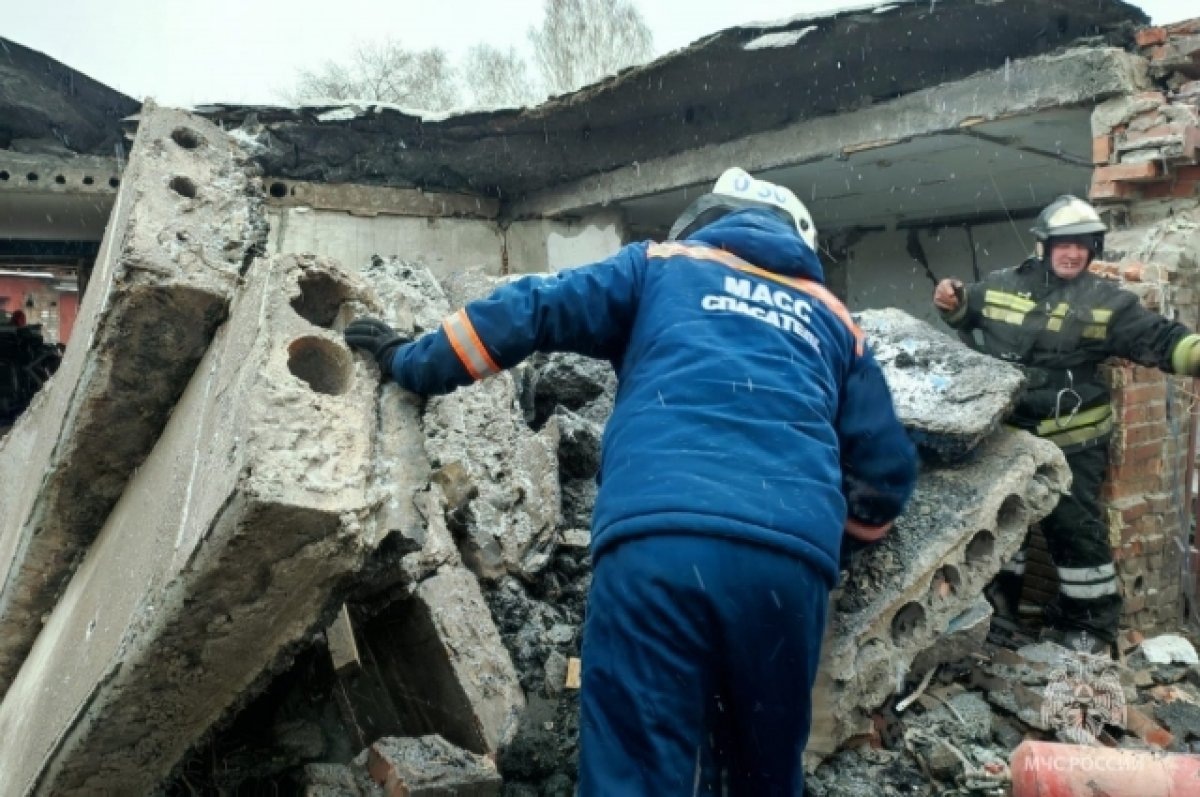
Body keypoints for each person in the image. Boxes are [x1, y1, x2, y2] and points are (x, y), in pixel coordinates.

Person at [345, 167, 917, 795]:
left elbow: (528, 309)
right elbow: (886, 475)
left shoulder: (662, 265)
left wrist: (410, 360)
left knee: (636, 770)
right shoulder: (835, 322)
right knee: (761, 773)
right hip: (788, 573)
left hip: (658, 544)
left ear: (704, 223)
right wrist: (816, 547)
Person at [933, 194, 1200, 654]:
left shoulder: (1107, 303)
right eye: (1064, 244)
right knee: (1002, 527)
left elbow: (1162, 340)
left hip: (1073, 442)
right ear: (1044, 245)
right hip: (1006, 439)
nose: (1073, 253)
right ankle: (998, 613)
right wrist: (950, 301)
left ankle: (1091, 627)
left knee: (1074, 533)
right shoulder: (1002, 285)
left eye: (1083, 245)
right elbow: (965, 309)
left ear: (1094, 249)